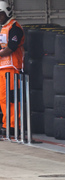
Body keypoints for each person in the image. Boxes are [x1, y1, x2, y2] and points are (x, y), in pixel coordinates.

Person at [0, 1, 24, 135]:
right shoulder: (4, 27)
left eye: (1, 14)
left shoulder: (15, 27)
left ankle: (15, 126)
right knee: (3, 99)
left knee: (13, 99)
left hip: (13, 68)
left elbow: (11, 47)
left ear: (7, 12)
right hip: (3, 68)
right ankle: (6, 124)